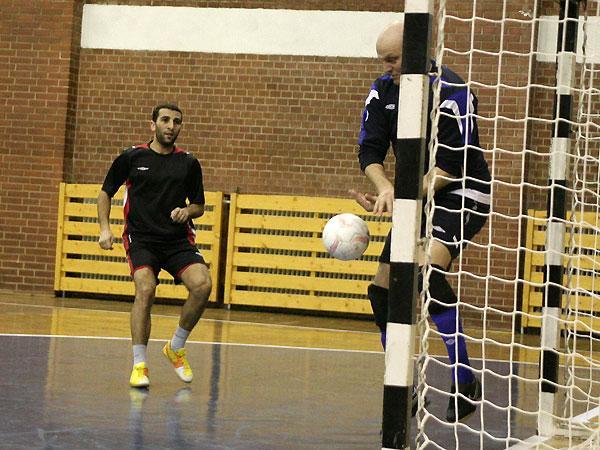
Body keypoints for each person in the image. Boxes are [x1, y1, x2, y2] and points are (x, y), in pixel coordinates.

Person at [351, 20, 491, 422]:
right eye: (382, 59)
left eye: (392, 59)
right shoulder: (383, 90)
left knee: (425, 273)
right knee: (382, 290)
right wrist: (384, 189)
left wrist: (402, 196)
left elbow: (451, 166)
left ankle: (464, 378)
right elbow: (370, 152)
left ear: (415, 52)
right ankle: (402, 383)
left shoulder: (453, 92)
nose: (386, 67)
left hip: (461, 191)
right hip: (416, 195)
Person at [98, 103, 212, 388]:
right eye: (165, 120)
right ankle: (139, 365)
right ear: (153, 125)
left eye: (176, 122)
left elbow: (198, 205)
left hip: (177, 240)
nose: (171, 126)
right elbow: (105, 193)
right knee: (146, 288)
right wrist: (105, 229)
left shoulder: (188, 163)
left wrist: (187, 211)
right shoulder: (131, 157)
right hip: (141, 239)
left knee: (202, 285)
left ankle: (176, 347)